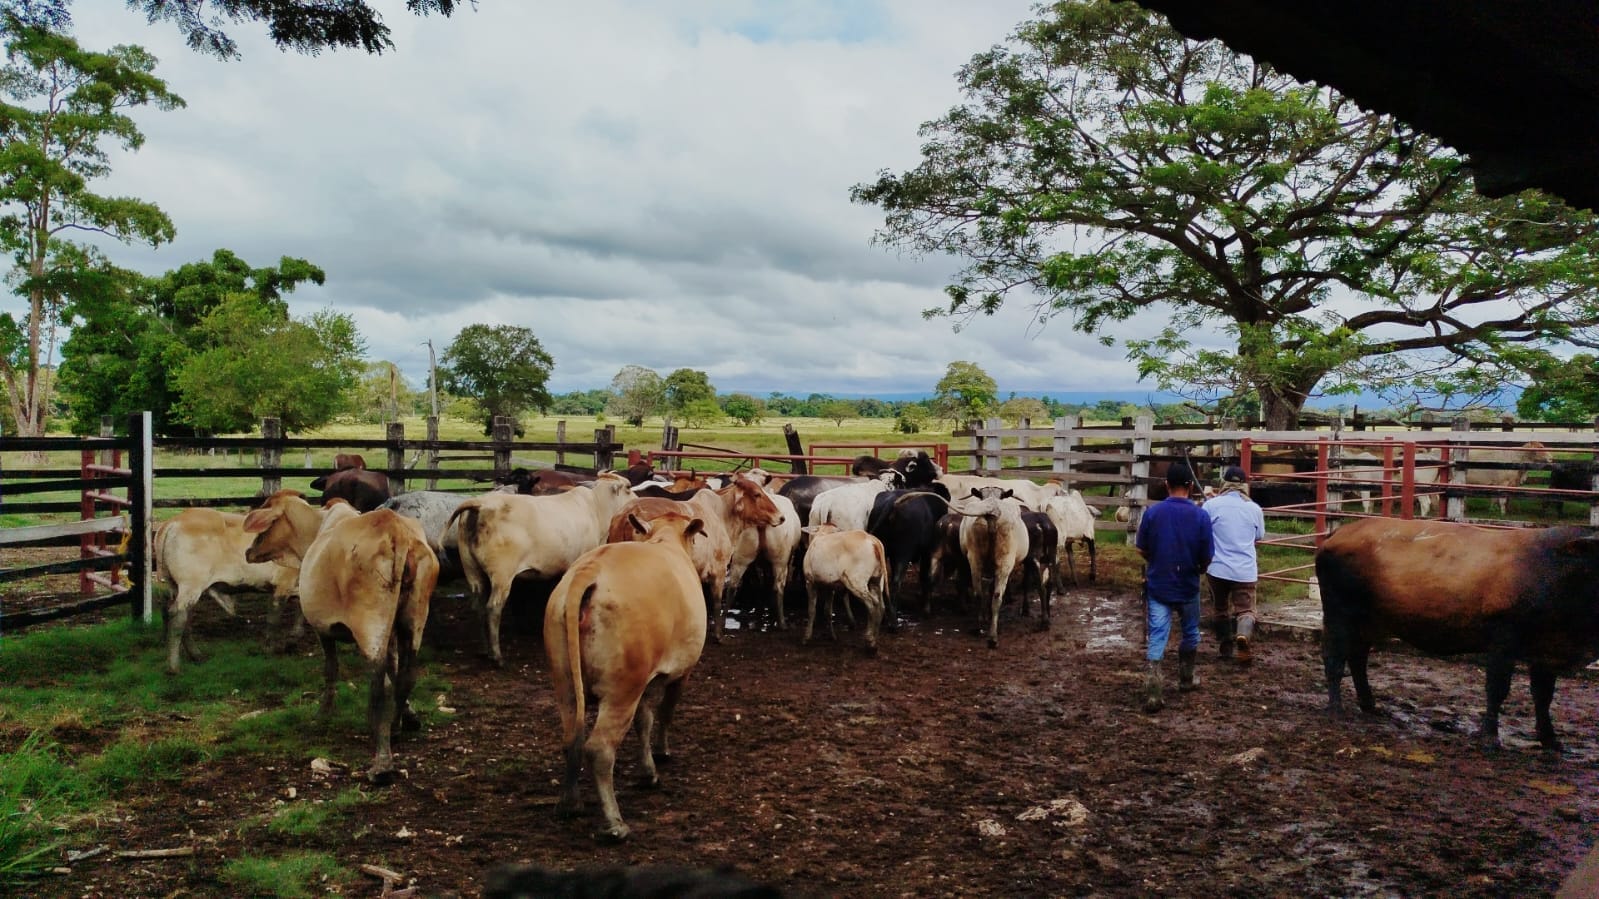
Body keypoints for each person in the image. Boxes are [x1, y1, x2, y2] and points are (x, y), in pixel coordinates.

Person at [1134, 462, 1213, 712]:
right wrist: (1199, 568)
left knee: (1158, 634)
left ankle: (1154, 689)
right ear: (1191, 486)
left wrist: (1155, 561)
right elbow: (1207, 555)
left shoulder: (1153, 513)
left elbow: (1141, 547)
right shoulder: (1201, 515)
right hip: (1188, 585)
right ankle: (1186, 679)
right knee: (1190, 632)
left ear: (1166, 485)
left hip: (1159, 584)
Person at [1204, 465, 1267, 666]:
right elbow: (1259, 536)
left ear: (1224, 483)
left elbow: (1204, 532)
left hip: (1217, 568)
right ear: (1244, 485)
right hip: (1244, 570)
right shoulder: (1254, 508)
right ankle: (1243, 636)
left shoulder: (1212, 505)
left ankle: (1225, 647)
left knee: (1220, 607)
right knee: (1246, 609)